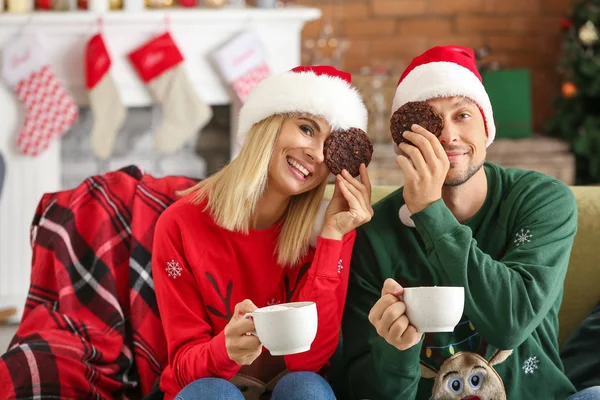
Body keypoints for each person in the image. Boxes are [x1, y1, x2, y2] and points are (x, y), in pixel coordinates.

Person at [340, 45, 600, 400]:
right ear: (405, 142)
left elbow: (511, 323)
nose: (448, 135)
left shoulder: (541, 201)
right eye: (430, 121)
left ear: (486, 128)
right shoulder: (375, 233)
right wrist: (395, 352)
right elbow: (360, 389)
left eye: (462, 115)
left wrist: (429, 210)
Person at [152, 65, 373, 400]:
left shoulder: (325, 230)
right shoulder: (180, 224)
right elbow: (184, 368)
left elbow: (309, 360)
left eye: (329, 146)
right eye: (306, 128)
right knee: (213, 394)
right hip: (209, 388)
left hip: (288, 388)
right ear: (267, 124)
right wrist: (223, 350)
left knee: (307, 389)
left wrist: (332, 238)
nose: (315, 153)